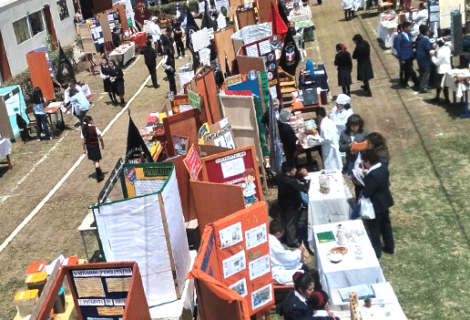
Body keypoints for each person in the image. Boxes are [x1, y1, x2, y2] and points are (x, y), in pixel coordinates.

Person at [361, 149, 395, 258]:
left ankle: (377, 252)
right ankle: (390, 246)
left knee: (374, 229)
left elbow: (367, 192)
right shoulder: (383, 168)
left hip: (375, 205)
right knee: (386, 225)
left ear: (368, 161)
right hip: (385, 201)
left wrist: (365, 176)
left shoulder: (372, 175)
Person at [275, 162, 309, 248]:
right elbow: (304, 188)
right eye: (294, 170)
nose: (295, 170)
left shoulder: (279, 175)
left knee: (286, 221)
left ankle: (287, 236)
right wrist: (305, 180)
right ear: (288, 172)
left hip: (283, 202)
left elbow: (293, 176)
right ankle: (292, 241)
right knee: (291, 223)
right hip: (291, 205)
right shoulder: (290, 182)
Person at [269, 220, 308, 285]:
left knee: (303, 267)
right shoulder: (273, 243)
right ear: (278, 233)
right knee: (304, 273)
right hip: (276, 272)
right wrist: (299, 251)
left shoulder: (270, 239)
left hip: (279, 265)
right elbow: (288, 258)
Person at [81, 115, 105, 182]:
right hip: (95, 145)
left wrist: (84, 149)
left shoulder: (83, 129)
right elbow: (100, 137)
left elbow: (83, 141)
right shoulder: (94, 128)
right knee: (96, 161)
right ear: (90, 121)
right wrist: (102, 143)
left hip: (89, 146)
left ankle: (98, 171)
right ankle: (99, 176)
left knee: (95, 161)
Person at [396, 22, 419, 88]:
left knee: (407, 71)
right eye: (409, 27)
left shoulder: (409, 35)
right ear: (405, 28)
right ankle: (416, 82)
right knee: (410, 70)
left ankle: (404, 82)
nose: (410, 28)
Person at [432, 38, 452, 104]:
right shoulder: (447, 49)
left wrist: (432, 56)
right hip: (448, 68)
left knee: (440, 85)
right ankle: (443, 98)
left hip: (441, 70)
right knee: (444, 85)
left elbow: (437, 62)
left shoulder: (440, 51)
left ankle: (443, 99)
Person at [416, 25, 434, 93]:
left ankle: (422, 85)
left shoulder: (420, 38)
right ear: (426, 32)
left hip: (420, 59)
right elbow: (429, 50)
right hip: (425, 60)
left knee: (422, 73)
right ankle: (423, 87)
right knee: (426, 73)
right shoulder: (425, 40)